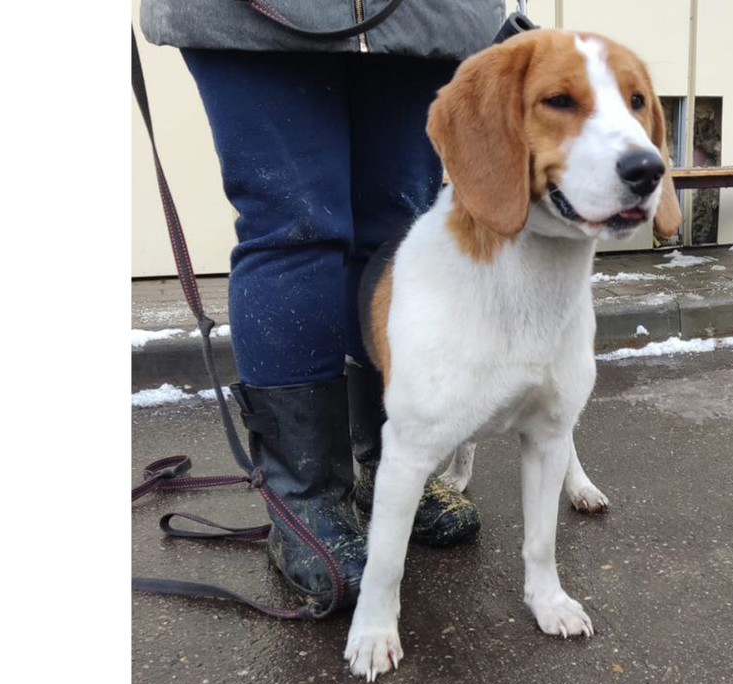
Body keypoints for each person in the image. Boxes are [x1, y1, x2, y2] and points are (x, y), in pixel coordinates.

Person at [140, 0, 504, 609]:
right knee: (295, 225)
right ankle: (304, 500)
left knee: (399, 230)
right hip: (257, 16)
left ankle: (391, 471)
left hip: (425, 17)